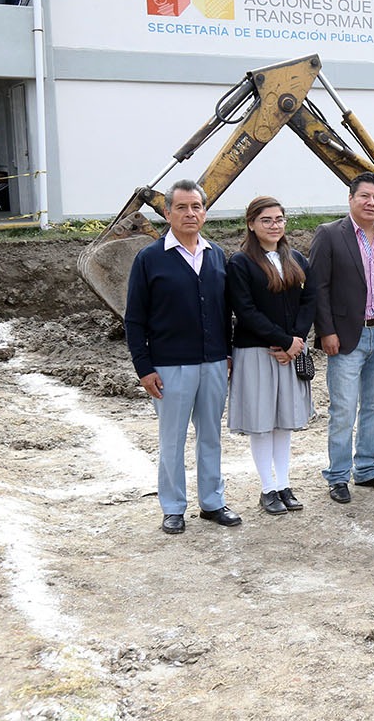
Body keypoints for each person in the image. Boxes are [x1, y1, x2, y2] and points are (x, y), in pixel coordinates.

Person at [124, 180, 240, 534]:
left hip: (213, 363)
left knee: (211, 436)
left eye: (196, 207)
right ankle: (173, 507)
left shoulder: (216, 254)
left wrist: (227, 354)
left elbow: (225, 311)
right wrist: (144, 368)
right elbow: (134, 318)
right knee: (172, 439)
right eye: (182, 207)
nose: (190, 213)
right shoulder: (150, 258)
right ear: (167, 212)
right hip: (169, 366)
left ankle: (212, 502)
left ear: (204, 212)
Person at [308, 172, 374, 504]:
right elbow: (317, 287)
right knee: (344, 408)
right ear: (351, 198)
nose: (371, 203)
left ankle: (368, 469)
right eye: (364, 196)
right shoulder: (329, 234)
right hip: (346, 336)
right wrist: (326, 331)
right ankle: (337, 476)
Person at [225, 196, 316, 516]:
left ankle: (284, 484)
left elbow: (310, 301)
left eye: (279, 219)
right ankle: (267, 488)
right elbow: (245, 310)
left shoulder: (296, 259)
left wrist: (297, 340)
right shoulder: (240, 263)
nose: (274, 225)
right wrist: (282, 340)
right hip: (257, 351)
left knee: (283, 423)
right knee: (263, 422)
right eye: (266, 220)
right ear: (251, 223)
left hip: (289, 352)